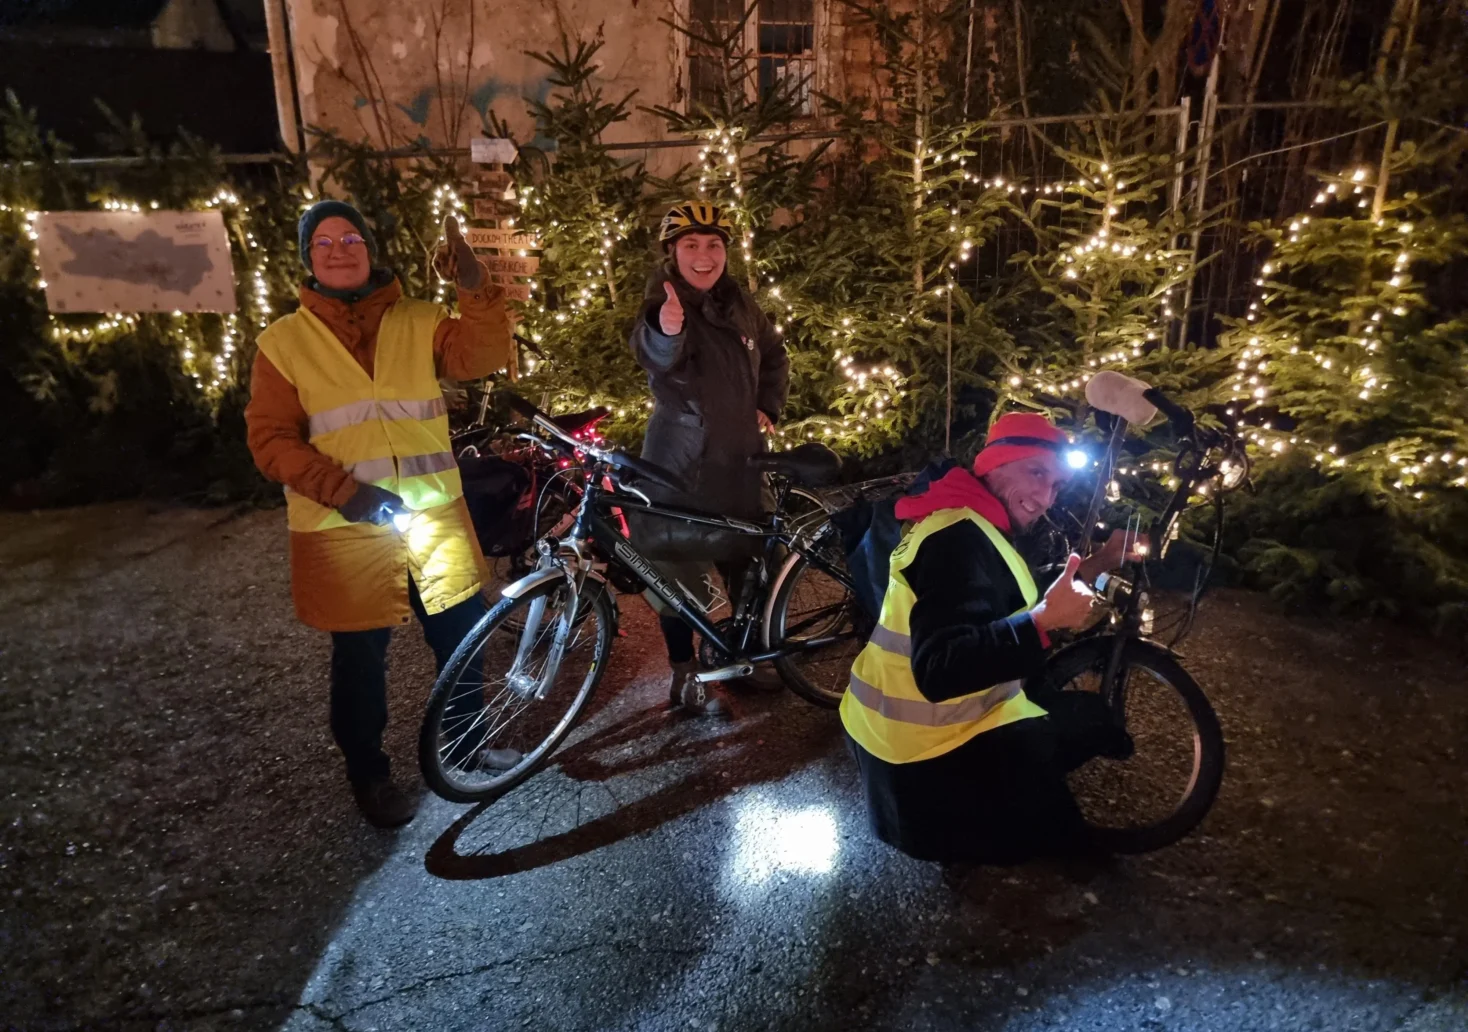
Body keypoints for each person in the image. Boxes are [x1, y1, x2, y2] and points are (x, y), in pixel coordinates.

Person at [245, 200, 514, 828]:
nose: (339, 250)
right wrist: (345, 492)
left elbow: (483, 354)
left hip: (432, 513)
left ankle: (466, 744)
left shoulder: (420, 320)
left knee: (462, 636)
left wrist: (473, 284)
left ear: (370, 249)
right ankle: (368, 774)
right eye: (324, 242)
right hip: (345, 526)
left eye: (351, 238)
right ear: (307, 257)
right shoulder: (283, 343)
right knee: (361, 658)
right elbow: (271, 439)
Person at [840, 411, 1140, 864]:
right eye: (1036, 473)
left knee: (1055, 712)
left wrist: (1100, 562)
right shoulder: (958, 539)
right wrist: (1040, 624)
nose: (1045, 497)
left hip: (888, 745)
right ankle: (1025, 847)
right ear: (995, 465)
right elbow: (940, 669)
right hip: (917, 770)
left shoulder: (968, 518)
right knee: (1088, 721)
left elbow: (1010, 597)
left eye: (1056, 485)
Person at [627, 201, 789, 718]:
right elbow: (654, 349)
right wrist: (666, 329)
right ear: (672, 253)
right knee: (675, 567)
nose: (704, 255)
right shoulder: (664, 301)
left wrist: (767, 403)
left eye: (714, 244)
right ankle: (683, 671)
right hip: (680, 460)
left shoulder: (740, 303)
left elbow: (773, 352)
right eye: (691, 245)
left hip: (741, 455)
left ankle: (746, 652)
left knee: (752, 559)